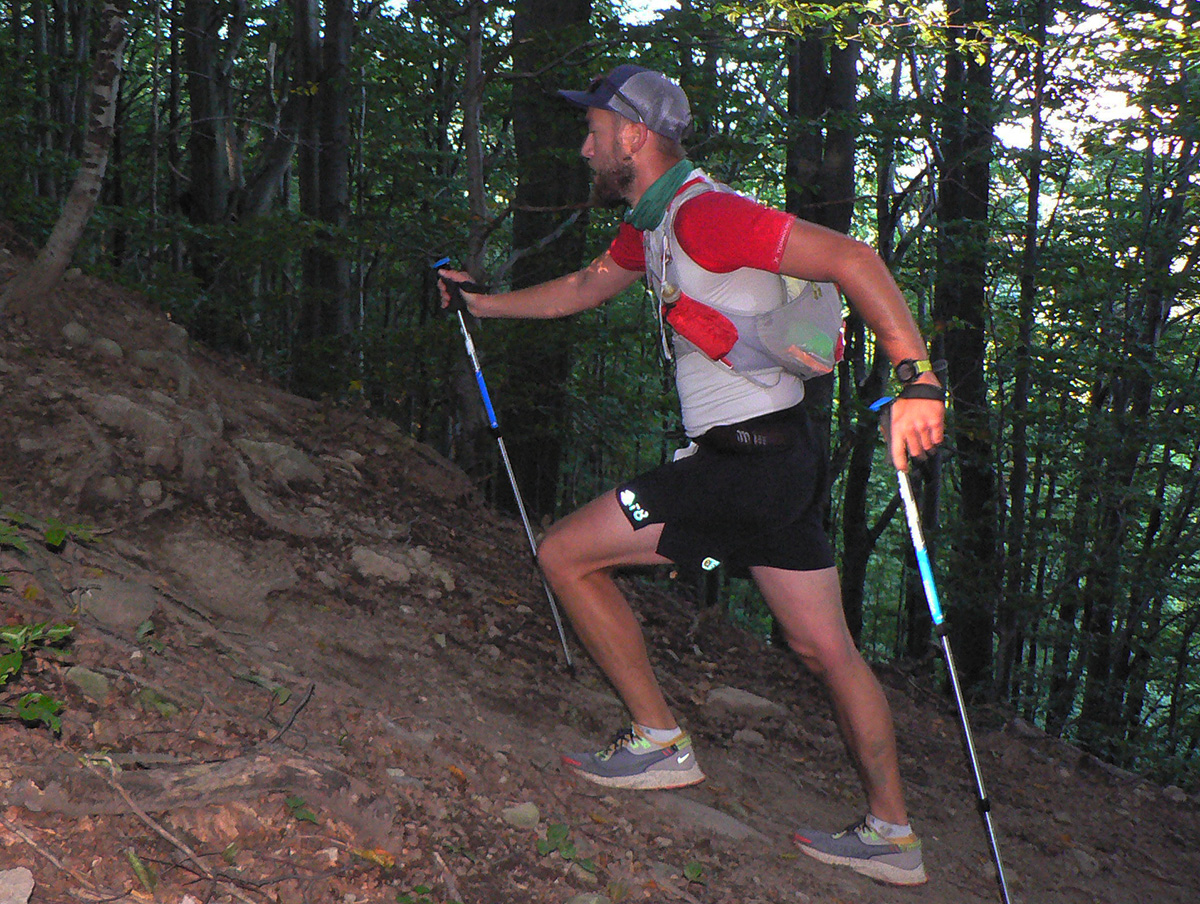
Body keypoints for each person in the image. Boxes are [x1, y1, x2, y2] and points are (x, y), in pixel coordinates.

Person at [438, 63, 944, 887]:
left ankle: (658, 741)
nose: (585, 147)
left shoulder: (708, 214)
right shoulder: (654, 225)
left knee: (565, 553)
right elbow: (584, 286)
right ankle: (894, 835)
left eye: (595, 131)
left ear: (634, 135)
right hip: (779, 458)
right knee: (826, 649)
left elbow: (852, 257)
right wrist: (481, 303)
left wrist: (917, 379)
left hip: (745, 462)